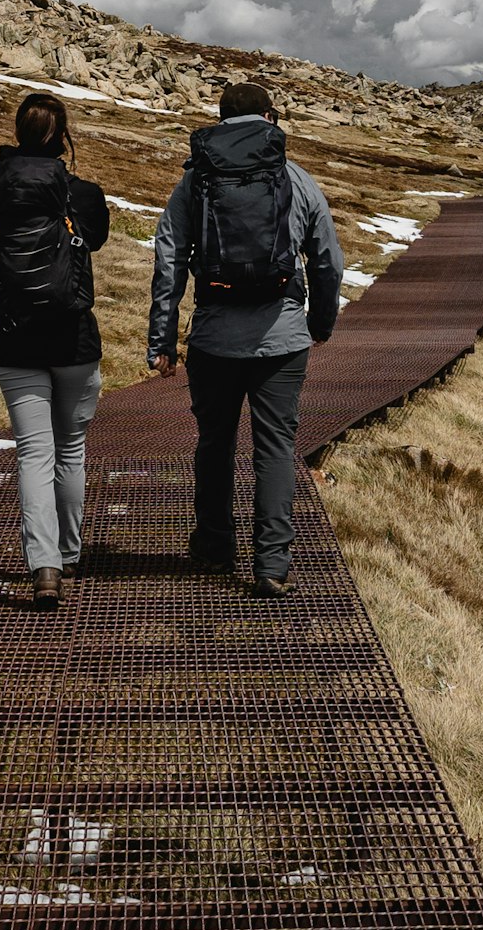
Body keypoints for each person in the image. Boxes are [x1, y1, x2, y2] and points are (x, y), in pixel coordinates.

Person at [146, 80, 345, 598]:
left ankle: (214, 548)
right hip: (282, 340)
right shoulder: (296, 180)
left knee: (214, 443)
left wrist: (162, 340)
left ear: (219, 119)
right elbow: (328, 261)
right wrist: (319, 324)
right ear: (271, 119)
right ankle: (272, 565)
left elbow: (168, 259)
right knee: (275, 446)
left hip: (213, 340)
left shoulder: (196, 181)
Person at [0, 91, 112, 602]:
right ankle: (70, 555)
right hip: (74, 339)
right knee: (69, 449)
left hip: (15, 340)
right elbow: (94, 241)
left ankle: (45, 566)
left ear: (18, 133)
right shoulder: (86, 195)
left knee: (34, 452)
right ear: (63, 136)